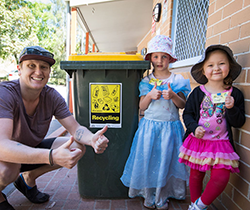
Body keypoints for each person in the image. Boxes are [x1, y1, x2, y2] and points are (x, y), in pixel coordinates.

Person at [0, 46, 109, 210]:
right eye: (31, 66)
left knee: (76, 147)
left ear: (49, 72)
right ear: (19, 69)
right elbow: (2, 145)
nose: (38, 72)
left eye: (43, 67)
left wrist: (92, 139)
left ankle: (28, 179)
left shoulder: (51, 96)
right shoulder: (5, 94)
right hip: (6, 156)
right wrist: (51, 155)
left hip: (30, 149)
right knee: (8, 170)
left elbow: (75, 129)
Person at [120, 35, 191, 210]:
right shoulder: (146, 81)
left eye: (164, 56)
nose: (160, 60)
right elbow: (141, 106)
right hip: (150, 128)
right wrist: (150, 96)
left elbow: (183, 105)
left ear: (170, 58)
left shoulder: (177, 81)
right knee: (149, 161)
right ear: (150, 58)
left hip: (170, 129)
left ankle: (163, 195)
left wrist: (173, 95)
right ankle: (148, 194)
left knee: (167, 161)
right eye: (156, 56)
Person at [179, 44, 245, 210]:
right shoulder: (197, 92)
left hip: (221, 143)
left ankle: (199, 206)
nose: (216, 68)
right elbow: (187, 114)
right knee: (196, 175)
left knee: (221, 177)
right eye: (210, 65)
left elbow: (239, 122)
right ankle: (194, 204)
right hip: (199, 141)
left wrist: (231, 108)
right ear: (203, 70)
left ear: (229, 67)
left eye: (221, 63)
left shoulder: (234, 94)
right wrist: (194, 128)